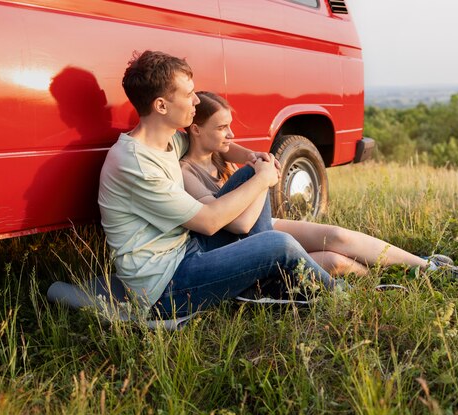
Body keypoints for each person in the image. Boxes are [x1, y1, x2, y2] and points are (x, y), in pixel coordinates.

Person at [98, 51, 346, 319]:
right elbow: (208, 222)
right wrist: (264, 178)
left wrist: (254, 159)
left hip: (187, 250)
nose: (196, 101)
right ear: (161, 106)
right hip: (164, 288)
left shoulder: (168, 140)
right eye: (188, 94)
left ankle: (261, 284)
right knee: (279, 244)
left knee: (248, 176)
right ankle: (343, 297)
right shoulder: (135, 163)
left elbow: (217, 145)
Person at [180, 91, 458, 281]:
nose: (230, 134)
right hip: (238, 245)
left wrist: (254, 157)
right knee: (334, 262)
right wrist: (263, 179)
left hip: (266, 224)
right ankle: (399, 279)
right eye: (222, 128)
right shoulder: (186, 171)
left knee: (336, 235)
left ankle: (428, 269)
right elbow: (237, 225)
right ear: (195, 130)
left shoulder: (220, 153)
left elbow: (235, 150)